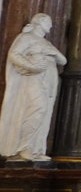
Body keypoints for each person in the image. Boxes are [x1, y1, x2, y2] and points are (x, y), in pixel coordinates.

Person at [0, 13, 67, 161]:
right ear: (41, 22)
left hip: (48, 82)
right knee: (37, 109)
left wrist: (52, 52)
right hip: (33, 79)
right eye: (49, 22)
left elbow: (63, 60)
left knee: (44, 113)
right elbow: (14, 54)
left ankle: (35, 148)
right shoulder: (27, 38)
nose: (50, 26)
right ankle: (23, 147)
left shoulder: (46, 43)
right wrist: (32, 66)